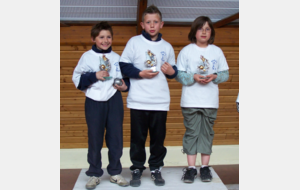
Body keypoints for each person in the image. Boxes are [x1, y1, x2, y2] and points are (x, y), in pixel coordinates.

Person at [119, 5, 178, 187]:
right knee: (138, 138)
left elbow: (173, 71)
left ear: (161, 24)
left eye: (155, 22)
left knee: (158, 139)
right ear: (142, 24)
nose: (152, 25)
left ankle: (155, 168)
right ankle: (136, 168)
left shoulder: (167, 46)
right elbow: (123, 65)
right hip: (138, 100)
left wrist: (171, 72)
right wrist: (140, 74)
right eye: (148, 22)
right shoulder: (134, 42)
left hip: (160, 102)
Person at [72, 21, 130, 189]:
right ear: (94, 38)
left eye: (108, 37)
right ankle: (94, 173)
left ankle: (115, 172)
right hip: (94, 100)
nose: (105, 40)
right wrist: (94, 75)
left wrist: (123, 86)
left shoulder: (118, 58)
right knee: (95, 138)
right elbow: (77, 80)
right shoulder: (87, 56)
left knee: (115, 137)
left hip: (113, 99)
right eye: (101, 37)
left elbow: (124, 79)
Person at [175, 16, 229, 183]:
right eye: (200, 28)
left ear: (211, 32)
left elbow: (225, 74)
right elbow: (180, 75)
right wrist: (194, 77)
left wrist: (214, 76)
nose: (204, 32)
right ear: (194, 31)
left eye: (207, 29)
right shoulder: (186, 51)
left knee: (207, 133)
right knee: (192, 133)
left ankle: (205, 168)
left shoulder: (217, 51)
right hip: (190, 101)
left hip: (210, 101)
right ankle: (191, 169)